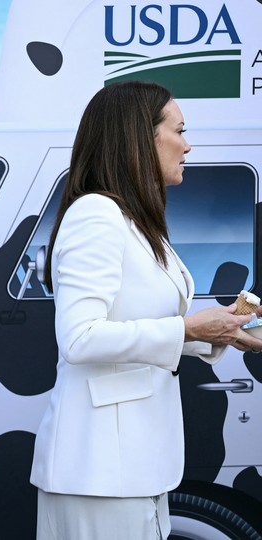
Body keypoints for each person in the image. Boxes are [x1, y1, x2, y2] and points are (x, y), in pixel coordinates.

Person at [30, 80, 262, 539]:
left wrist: (226, 334)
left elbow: (137, 326)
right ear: (140, 137)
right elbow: (80, 338)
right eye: (179, 130)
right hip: (98, 470)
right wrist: (187, 329)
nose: (188, 144)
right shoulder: (96, 214)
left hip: (134, 468)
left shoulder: (134, 221)